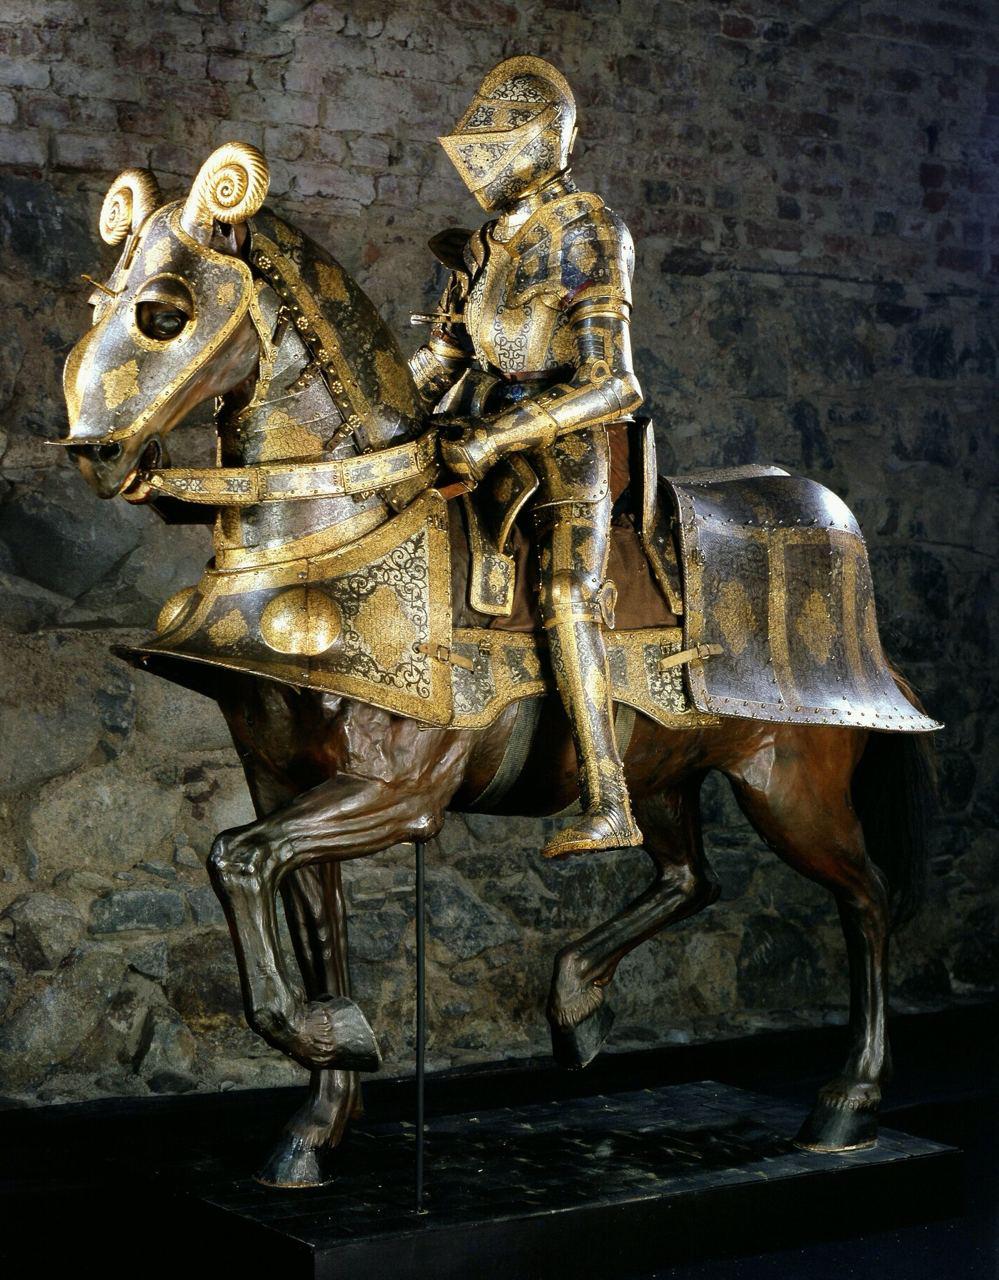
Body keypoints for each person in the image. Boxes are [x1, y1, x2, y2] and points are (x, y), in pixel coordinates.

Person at [409, 55, 644, 858]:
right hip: (472, 430)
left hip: (565, 445)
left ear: (542, 139)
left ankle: (608, 798)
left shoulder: (587, 229)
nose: (478, 161)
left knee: (566, 591)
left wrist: (499, 434)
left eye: (494, 142)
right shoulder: (481, 243)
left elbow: (612, 381)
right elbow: (442, 360)